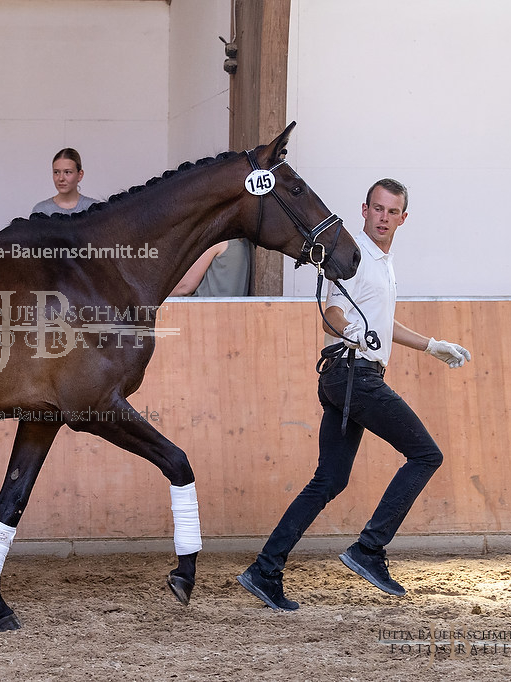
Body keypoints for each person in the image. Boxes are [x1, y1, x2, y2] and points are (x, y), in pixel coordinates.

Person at [236, 178, 471, 610]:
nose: (383, 217)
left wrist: (432, 345)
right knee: (426, 455)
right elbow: (332, 312)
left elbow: (381, 324)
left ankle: (264, 570)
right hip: (353, 375)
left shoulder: (384, 262)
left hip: (350, 377)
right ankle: (369, 549)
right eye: (377, 208)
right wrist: (351, 331)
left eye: (392, 211)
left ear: (403, 218)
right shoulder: (350, 255)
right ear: (364, 210)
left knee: (329, 479)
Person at [169, 239, 252, 297]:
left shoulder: (219, 239)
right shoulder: (242, 241)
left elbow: (184, 287)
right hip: (231, 314)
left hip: (204, 313)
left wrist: (158, 296)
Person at [31, 148, 97, 216]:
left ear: (80, 175)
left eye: (67, 172)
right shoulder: (41, 211)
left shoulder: (94, 209)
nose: (61, 178)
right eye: (56, 172)